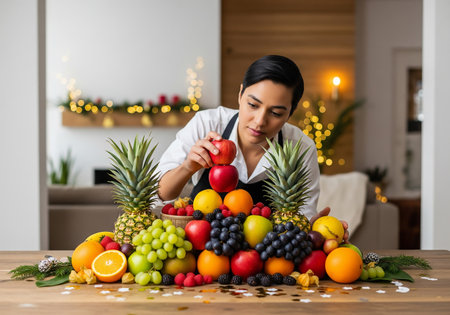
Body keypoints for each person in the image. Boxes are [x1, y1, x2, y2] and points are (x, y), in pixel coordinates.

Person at [156, 55, 348, 239]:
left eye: (275, 113)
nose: (259, 121)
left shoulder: (301, 148)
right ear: (240, 94)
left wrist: (319, 231)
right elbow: (161, 194)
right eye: (253, 105)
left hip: (265, 266)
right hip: (201, 257)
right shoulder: (207, 124)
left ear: (291, 112)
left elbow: (302, 218)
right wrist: (187, 167)